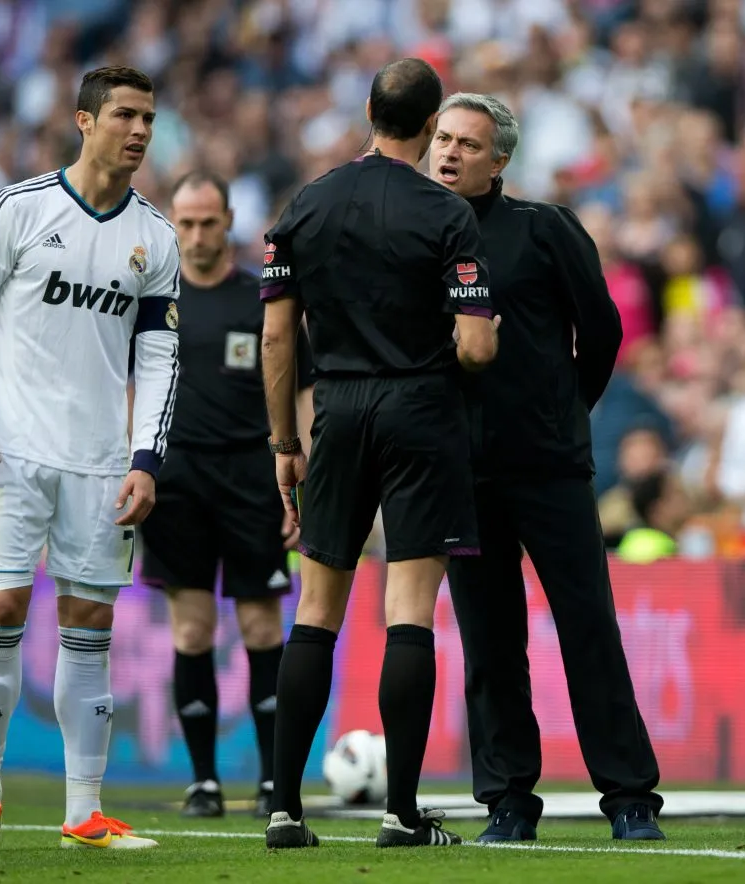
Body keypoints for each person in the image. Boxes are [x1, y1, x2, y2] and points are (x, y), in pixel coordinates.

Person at [0, 65, 179, 853]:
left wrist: (148, 456)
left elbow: (161, 358)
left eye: (148, 118)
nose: (140, 131)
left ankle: (83, 812)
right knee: (3, 609)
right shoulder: (18, 208)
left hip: (102, 461)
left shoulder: (156, 238)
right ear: (84, 120)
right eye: (124, 116)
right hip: (10, 451)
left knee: (90, 626)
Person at [259, 59, 499, 850]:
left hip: (336, 412)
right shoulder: (447, 214)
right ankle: (401, 814)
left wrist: (286, 443)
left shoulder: (308, 204)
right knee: (408, 612)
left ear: (368, 110)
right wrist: (469, 346)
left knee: (316, 611)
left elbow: (275, 338)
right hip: (419, 412)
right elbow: (473, 344)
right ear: (432, 128)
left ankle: (285, 809)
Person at [431, 93, 666, 842]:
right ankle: (506, 801)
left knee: (587, 626)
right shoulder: (413, 237)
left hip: (549, 468)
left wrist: (566, 410)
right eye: (442, 138)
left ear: (500, 160)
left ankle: (629, 798)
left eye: (468, 143)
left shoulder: (544, 228)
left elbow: (602, 326)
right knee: (489, 641)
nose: (449, 152)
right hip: (461, 473)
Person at [139, 170, 313, 819]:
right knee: (191, 628)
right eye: (186, 222)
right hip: (177, 480)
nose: (198, 234)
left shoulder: (262, 298)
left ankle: (273, 781)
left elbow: (303, 389)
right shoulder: (154, 299)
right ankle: (204, 780)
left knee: (263, 625)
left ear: (229, 219)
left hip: (251, 478)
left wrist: (305, 476)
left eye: (209, 221)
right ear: (171, 224)